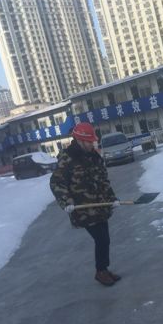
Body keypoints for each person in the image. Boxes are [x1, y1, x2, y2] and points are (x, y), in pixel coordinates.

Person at [50, 122, 122, 286]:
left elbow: (103, 180)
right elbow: (56, 182)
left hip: (100, 206)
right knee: (101, 239)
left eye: (92, 141)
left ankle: (103, 269)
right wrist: (66, 201)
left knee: (105, 240)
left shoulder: (94, 156)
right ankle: (100, 272)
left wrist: (112, 198)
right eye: (89, 141)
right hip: (84, 210)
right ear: (80, 140)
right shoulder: (67, 158)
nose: (92, 144)